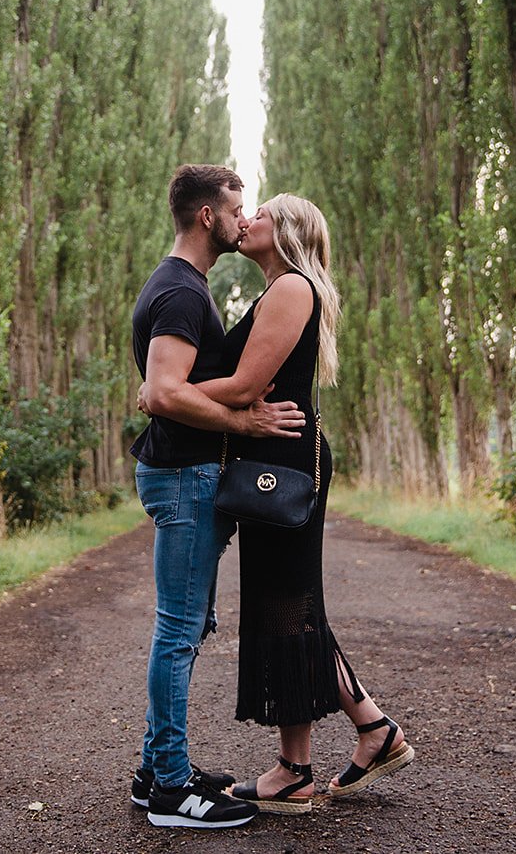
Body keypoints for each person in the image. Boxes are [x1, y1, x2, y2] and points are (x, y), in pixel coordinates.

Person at [194, 193, 414, 814]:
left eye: (259, 212)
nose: (247, 219)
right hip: (277, 459)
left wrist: (168, 390)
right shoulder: (278, 291)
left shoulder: (292, 288)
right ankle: (372, 730)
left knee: (287, 607)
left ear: (285, 230)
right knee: (288, 604)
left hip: (286, 464)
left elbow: (242, 387)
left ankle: (296, 769)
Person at [129, 164, 307, 830]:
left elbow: (166, 389)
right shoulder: (179, 291)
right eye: (236, 209)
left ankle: (155, 769)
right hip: (184, 475)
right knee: (177, 630)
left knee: (184, 625)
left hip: (185, 474)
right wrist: (245, 421)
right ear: (208, 215)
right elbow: (167, 391)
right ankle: (172, 788)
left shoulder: (182, 285)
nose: (243, 219)